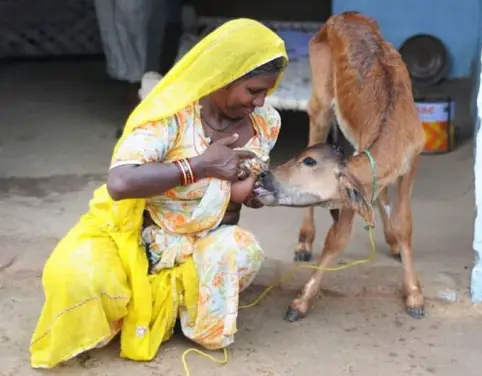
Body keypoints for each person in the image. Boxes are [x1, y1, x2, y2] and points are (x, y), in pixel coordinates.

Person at [29, 19, 288, 368]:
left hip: (201, 244)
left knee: (237, 249)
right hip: (140, 240)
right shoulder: (172, 116)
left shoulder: (265, 123)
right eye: (253, 91)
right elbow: (120, 183)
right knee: (77, 274)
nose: (259, 102)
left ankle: (185, 312)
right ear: (224, 76)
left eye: (266, 93)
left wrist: (250, 192)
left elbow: (235, 197)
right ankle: (153, 299)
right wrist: (199, 167)